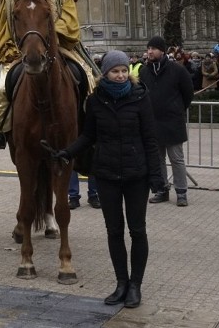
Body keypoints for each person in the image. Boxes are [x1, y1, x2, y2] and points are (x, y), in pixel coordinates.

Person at [50, 50, 164, 309]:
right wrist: (68, 152)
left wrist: (156, 177)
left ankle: (135, 285)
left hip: (137, 175)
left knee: (137, 231)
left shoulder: (140, 97)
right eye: (116, 71)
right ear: (106, 74)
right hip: (107, 175)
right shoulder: (95, 101)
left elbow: (150, 139)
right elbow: (88, 136)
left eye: (124, 70)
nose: (121, 75)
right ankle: (121, 283)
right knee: (114, 232)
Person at [0, 0, 97, 149]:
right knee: (2, 88)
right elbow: (3, 27)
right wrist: (15, 48)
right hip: (23, 50)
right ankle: (1, 130)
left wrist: (46, 35)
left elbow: (70, 22)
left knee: (89, 79)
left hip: (60, 48)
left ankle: (88, 128)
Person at [139, 36, 194, 206]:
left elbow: (188, 94)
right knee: (157, 159)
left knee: (176, 158)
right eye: (148, 48)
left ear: (162, 51)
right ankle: (161, 189)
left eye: (153, 48)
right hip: (152, 122)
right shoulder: (144, 71)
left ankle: (181, 192)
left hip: (172, 122)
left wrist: (176, 108)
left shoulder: (177, 70)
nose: (150, 51)